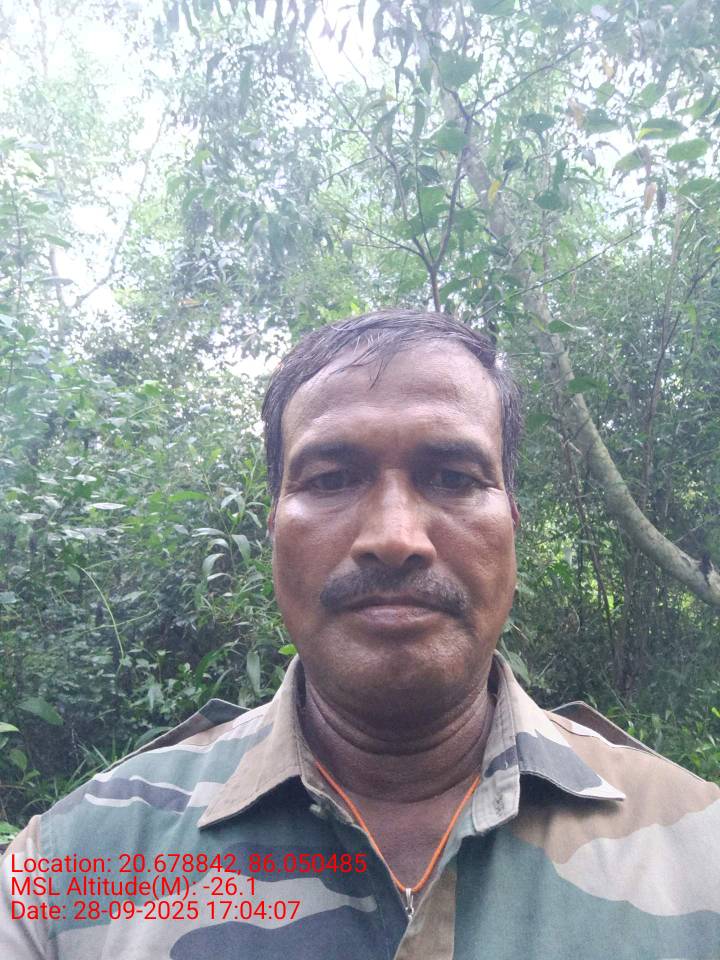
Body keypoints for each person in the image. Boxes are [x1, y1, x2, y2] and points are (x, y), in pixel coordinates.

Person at [1, 309, 718, 959]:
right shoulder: (63, 874)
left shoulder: (701, 851)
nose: (395, 538)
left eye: (453, 477)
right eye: (331, 478)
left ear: (512, 523)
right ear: (273, 526)